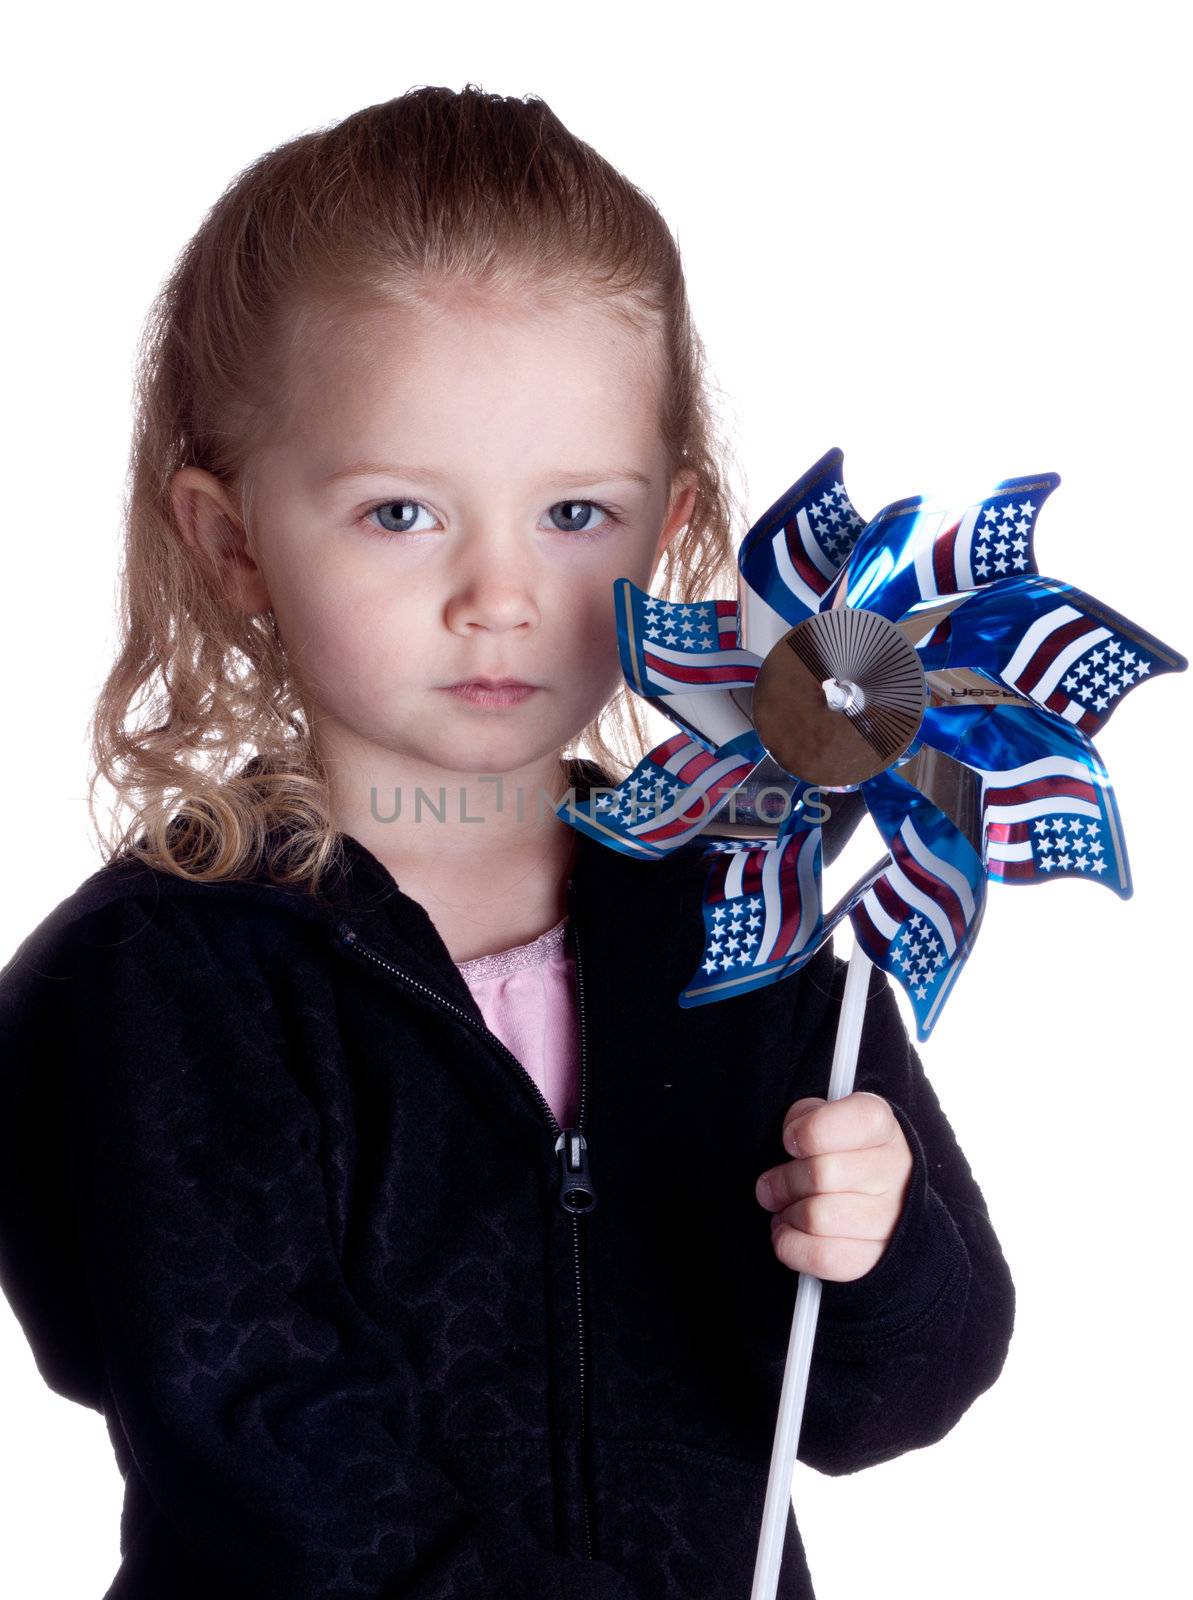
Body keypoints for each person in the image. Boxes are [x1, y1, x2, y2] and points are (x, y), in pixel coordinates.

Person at [0, 84, 1015, 1600]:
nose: (500, 593)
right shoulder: (159, 984)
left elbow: (891, 1400)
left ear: (669, 529)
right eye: (402, 512)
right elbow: (265, 1444)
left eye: (573, 514)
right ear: (234, 545)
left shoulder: (744, 906)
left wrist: (873, 1253)